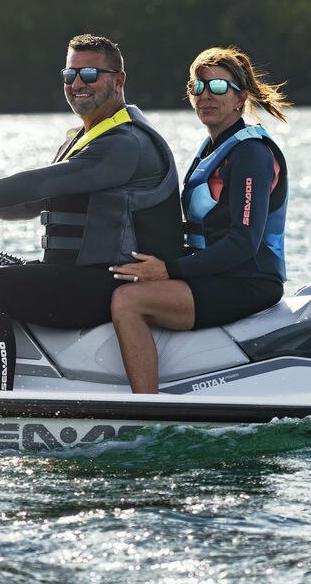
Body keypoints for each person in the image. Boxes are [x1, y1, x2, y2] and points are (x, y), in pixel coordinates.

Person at [0, 34, 183, 391]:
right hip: (80, 276)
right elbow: (27, 205)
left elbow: (37, 184)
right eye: (70, 75)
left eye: (89, 75)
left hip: (109, 280)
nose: (77, 84)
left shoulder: (125, 144)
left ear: (119, 80)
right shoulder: (87, 138)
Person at [108, 47, 290, 394]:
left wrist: (167, 270)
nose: (206, 96)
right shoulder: (212, 148)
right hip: (216, 274)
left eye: (219, 88)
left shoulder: (251, 153)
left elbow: (243, 243)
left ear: (241, 98)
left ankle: (146, 408)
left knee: (128, 302)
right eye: (198, 87)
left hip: (248, 281)